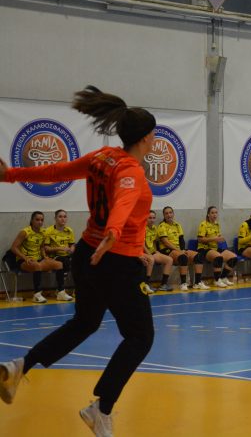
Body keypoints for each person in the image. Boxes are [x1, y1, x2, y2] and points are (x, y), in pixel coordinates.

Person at [0, 85, 156, 435]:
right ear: (147, 138)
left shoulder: (103, 157)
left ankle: (20, 365)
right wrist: (113, 233)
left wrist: (10, 175)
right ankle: (101, 408)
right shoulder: (131, 171)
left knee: (84, 322)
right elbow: (123, 203)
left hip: (87, 254)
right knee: (140, 337)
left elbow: (56, 172)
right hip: (115, 261)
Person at [9, 212, 68, 303]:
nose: (40, 222)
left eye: (42, 220)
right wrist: (25, 258)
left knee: (58, 264)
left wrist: (45, 257)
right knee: (37, 266)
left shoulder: (43, 232)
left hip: (39, 259)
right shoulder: (25, 232)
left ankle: (61, 292)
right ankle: (37, 294)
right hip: (24, 261)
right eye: (37, 220)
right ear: (32, 220)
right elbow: (14, 248)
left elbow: (41, 247)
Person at [158, 206, 204, 291]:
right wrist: (179, 251)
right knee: (183, 257)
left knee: (198, 256)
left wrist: (182, 250)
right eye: (166, 213)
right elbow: (165, 242)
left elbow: (181, 240)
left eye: (170, 213)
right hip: (167, 250)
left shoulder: (177, 225)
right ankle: (183, 284)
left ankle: (197, 283)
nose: (169, 215)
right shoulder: (162, 226)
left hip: (178, 250)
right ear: (164, 215)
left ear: (173, 214)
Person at [197, 206, 238, 288]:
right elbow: (200, 239)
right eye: (212, 213)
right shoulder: (203, 224)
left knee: (233, 257)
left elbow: (217, 237)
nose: (214, 215)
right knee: (218, 257)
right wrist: (214, 239)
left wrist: (220, 239)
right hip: (204, 249)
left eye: (216, 213)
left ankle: (223, 277)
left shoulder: (217, 224)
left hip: (215, 248)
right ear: (208, 214)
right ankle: (217, 280)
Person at [43, 209, 76, 301]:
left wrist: (72, 249)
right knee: (64, 261)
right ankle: (60, 291)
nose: (63, 219)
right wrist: (60, 248)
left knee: (81, 261)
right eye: (60, 216)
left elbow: (72, 244)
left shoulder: (69, 230)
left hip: (67, 255)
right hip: (55, 256)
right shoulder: (48, 231)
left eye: (65, 217)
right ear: (55, 218)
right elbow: (46, 248)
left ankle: (77, 290)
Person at [144, 210, 174, 292]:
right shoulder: (142, 228)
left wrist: (157, 251)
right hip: (143, 252)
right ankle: (146, 284)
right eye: (150, 218)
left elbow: (154, 241)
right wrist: (149, 254)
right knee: (151, 259)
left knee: (169, 260)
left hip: (152, 252)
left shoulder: (155, 228)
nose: (152, 220)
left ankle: (163, 284)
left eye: (153, 218)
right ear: (145, 218)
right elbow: (142, 245)